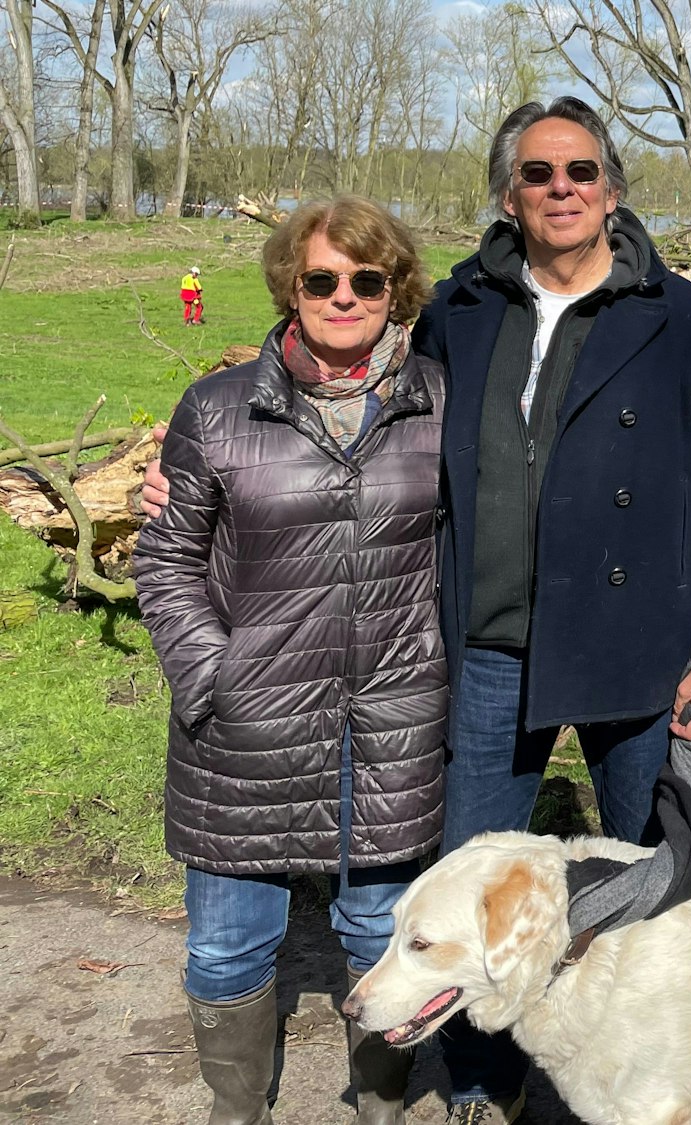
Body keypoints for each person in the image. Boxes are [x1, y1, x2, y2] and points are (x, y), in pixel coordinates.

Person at [415, 97, 691, 1123]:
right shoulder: (457, 308)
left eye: (580, 171)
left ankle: (652, 1072)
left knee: (653, 879)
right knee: (472, 880)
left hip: (639, 648)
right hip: (492, 642)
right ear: (506, 195)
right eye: (537, 173)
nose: (560, 188)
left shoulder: (683, 317)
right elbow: (377, 411)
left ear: (611, 189)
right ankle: (484, 1079)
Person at [134, 197, 447, 1125]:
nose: (343, 296)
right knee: (227, 945)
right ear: (291, 287)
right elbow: (167, 557)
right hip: (244, 726)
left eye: (366, 280)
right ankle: (239, 1110)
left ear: (396, 290)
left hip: (390, 724)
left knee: (384, 934)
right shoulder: (218, 408)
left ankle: (380, 1107)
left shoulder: (443, 403)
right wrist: (212, 676)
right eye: (321, 279)